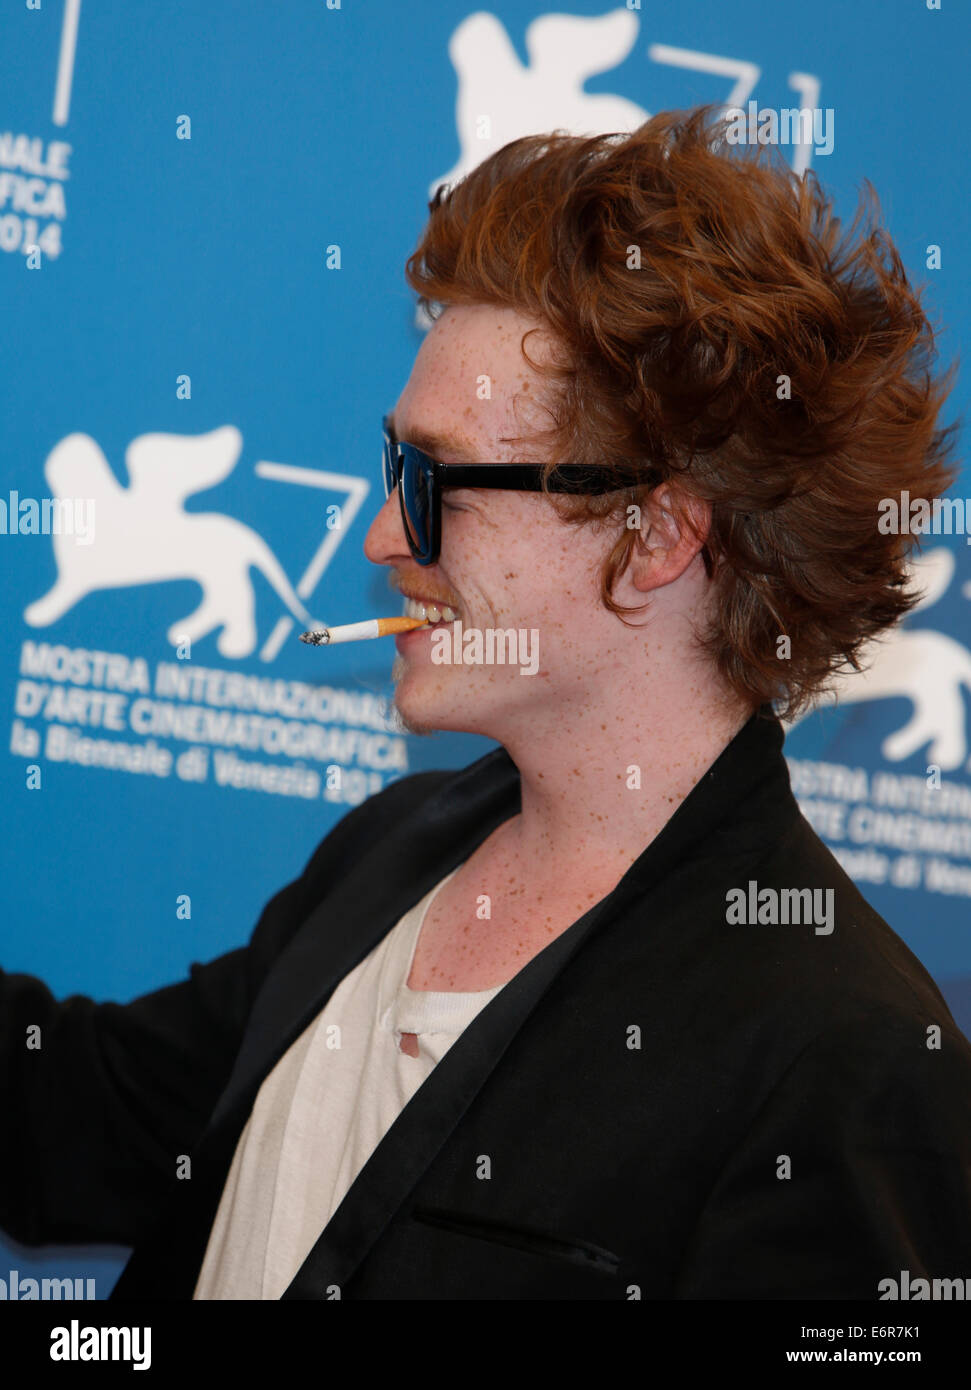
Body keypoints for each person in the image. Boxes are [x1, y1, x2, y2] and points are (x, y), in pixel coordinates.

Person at [3, 106, 970, 1300]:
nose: (380, 535)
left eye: (434, 481)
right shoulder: (395, 853)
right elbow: (86, 1119)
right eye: (388, 467)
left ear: (656, 533)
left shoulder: (838, 1053)